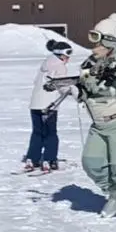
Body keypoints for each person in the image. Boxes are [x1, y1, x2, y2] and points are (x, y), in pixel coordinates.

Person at [48, 14, 116, 221]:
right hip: (100, 123)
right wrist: (74, 88)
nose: (92, 45)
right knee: (91, 162)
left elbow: (112, 89)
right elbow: (85, 82)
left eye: (97, 39)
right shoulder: (91, 62)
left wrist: (84, 90)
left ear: (109, 41)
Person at [24, 39, 75, 173]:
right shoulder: (60, 66)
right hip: (49, 105)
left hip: (35, 104)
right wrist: (74, 91)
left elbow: (37, 81)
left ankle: (32, 158)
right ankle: (49, 159)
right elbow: (62, 85)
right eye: (66, 56)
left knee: (37, 132)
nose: (68, 59)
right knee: (51, 133)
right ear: (60, 54)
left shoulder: (45, 63)